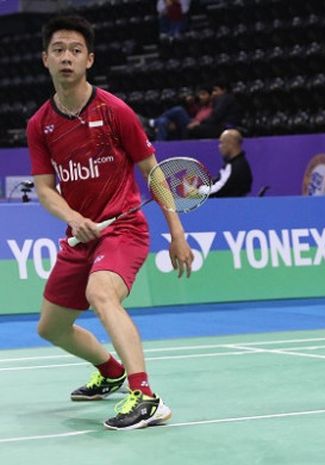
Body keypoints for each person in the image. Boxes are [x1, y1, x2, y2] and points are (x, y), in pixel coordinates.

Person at [25, 15, 194, 430]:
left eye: (76, 51)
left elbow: (155, 173)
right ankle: (112, 370)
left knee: (100, 292)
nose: (67, 57)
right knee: (51, 327)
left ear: (90, 60)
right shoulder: (39, 124)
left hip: (124, 228)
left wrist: (177, 233)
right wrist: (73, 218)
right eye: (59, 50)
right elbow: (46, 190)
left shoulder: (114, 110)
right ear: (45, 58)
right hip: (81, 233)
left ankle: (146, 396)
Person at [200, 129, 252, 197]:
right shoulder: (236, 163)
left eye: (221, 143)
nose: (219, 146)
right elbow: (219, 180)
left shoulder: (236, 167)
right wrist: (202, 185)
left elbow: (218, 189)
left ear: (230, 144)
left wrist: (198, 191)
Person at [148, 85, 213, 140]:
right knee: (163, 121)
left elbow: (210, 119)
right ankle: (159, 147)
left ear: (210, 95)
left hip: (196, 126)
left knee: (179, 110)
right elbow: (193, 113)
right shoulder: (201, 106)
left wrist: (199, 123)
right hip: (189, 122)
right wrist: (191, 103)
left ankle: (154, 122)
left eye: (203, 94)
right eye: (200, 94)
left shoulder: (213, 107)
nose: (200, 97)